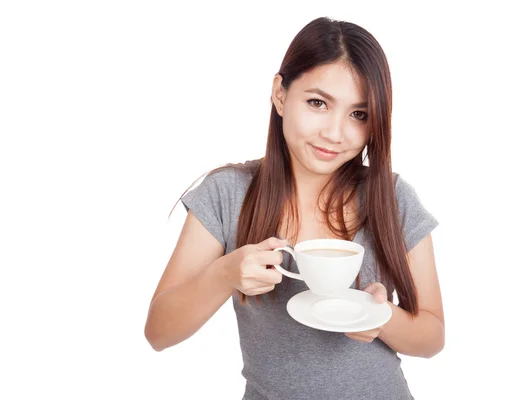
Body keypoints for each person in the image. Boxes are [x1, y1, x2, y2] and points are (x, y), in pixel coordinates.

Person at [144, 16, 444, 400]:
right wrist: (223, 275)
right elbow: (159, 332)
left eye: (359, 114)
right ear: (280, 95)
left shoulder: (392, 196)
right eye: (318, 103)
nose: (334, 133)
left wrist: (380, 318)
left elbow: (432, 337)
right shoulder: (227, 194)